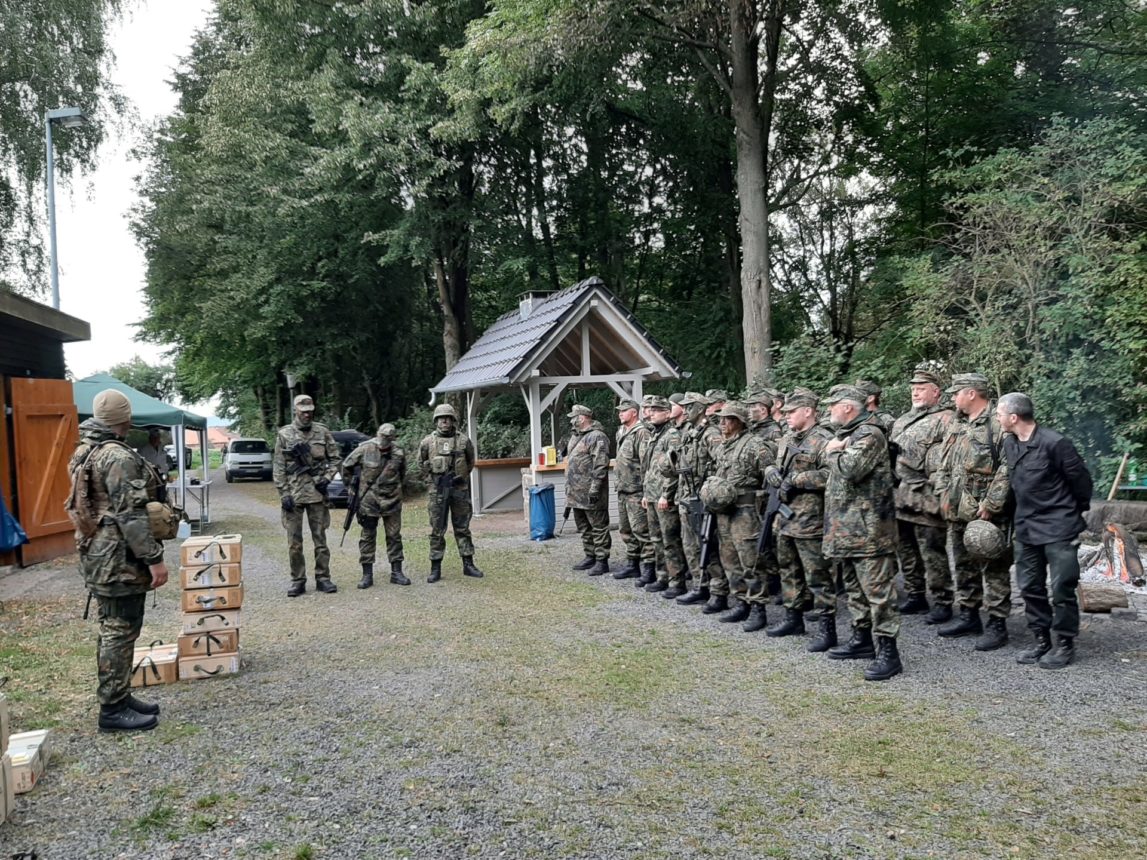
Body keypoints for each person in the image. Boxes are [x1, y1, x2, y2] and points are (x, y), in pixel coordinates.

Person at [68, 389, 170, 732]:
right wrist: (154, 559)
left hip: (98, 552)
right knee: (120, 629)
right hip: (117, 557)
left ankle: (120, 695)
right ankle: (112, 709)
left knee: (116, 625)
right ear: (125, 418)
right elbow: (131, 514)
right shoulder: (116, 456)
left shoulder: (85, 450)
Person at [997, 392, 1093, 668]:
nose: (998, 418)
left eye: (1000, 414)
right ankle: (1041, 640)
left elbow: (1081, 482)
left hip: (1058, 526)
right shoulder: (1010, 443)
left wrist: (1071, 512)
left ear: (1013, 417)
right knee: (1029, 586)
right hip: (1026, 526)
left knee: (1062, 587)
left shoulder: (1055, 443)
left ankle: (1064, 643)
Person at [821, 385, 902, 681]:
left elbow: (851, 468)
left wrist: (831, 452)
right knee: (854, 589)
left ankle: (889, 652)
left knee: (878, 593)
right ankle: (862, 639)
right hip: (846, 529)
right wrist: (835, 448)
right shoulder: (848, 434)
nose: (828, 411)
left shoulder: (870, 434)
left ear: (848, 407)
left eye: (833, 406)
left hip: (870, 531)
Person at [933, 373, 1012, 651]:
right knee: (963, 563)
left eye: (957, 392)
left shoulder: (998, 423)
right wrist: (941, 493)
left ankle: (997, 623)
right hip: (956, 508)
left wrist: (992, 504)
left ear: (971, 393)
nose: (952, 398)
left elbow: (1008, 467)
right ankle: (968, 614)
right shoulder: (957, 423)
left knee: (994, 566)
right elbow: (943, 463)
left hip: (986, 512)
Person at [762, 389, 835, 645]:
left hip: (810, 520)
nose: (786, 416)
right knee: (788, 570)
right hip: (785, 520)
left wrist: (798, 479)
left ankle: (827, 628)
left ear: (808, 411)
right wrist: (770, 470)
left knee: (817, 576)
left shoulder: (824, 440)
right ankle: (793, 618)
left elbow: (831, 475)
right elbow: (773, 463)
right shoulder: (787, 438)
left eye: (791, 412)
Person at [889, 362, 955, 621]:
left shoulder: (946, 419)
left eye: (922, 388)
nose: (915, 393)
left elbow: (947, 458)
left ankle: (942, 600)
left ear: (936, 392)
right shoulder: (902, 420)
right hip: (901, 494)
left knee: (932, 551)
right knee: (905, 547)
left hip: (928, 495)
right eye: (913, 388)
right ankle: (916, 593)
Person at [707, 402, 768, 624]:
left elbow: (769, 477)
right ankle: (741, 601)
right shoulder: (723, 445)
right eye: (721, 419)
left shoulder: (755, 445)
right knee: (729, 557)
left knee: (750, 560)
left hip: (746, 511)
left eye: (728, 418)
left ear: (740, 421)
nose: (722, 423)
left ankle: (758, 607)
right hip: (725, 510)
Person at [274, 394, 341, 596]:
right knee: (294, 543)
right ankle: (298, 580)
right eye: (303, 411)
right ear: (296, 410)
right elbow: (278, 466)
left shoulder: (322, 432)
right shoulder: (284, 434)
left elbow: (336, 458)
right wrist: (283, 493)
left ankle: (323, 578)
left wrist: (327, 478)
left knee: (320, 540)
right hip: (294, 495)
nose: (307, 414)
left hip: (317, 495)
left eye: (310, 411)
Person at [419, 403, 484, 582]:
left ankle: (468, 564)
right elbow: (420, 464)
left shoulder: (463, 440)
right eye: (441, 418)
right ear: (436, 421)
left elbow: (471, 461)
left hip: (459, 491)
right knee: (437, 530)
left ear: (453, 420)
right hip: (437, 491)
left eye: (448, 418)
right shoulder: (427, 442)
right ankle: (435, 567)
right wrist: (432, 482)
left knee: (462, 528)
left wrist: (460, 478)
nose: (445, 421)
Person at [341, 423, 411, 589]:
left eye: (388, 438)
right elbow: (346, 466)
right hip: (369, 501)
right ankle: (367, 574)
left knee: (394, 536)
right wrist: (351, 486)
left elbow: (403, 473)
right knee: (367, 536)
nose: (384, 440)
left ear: (392, 438)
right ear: (378, 434)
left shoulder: (398, 453)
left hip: (392, 500)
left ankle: (396, 572)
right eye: (382, 436)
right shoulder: (365, 449)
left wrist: (396, 489)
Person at [675, 392, 722, 606]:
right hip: (687, 497)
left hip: (703, 498)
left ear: (701, 408)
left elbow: (722, 464)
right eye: (683, 407)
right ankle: (699, 585)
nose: (684, 410)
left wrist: (710, 491)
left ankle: (718, 590)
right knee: (690, 545)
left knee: (707, 545)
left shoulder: (711, 434)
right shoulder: (690, 432)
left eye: (689, 406)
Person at [641, 396, 688, 598]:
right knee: (656, 539)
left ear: (667, 413)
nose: (651, 413)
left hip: (663, 496)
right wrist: (646, 493)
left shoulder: (672, 435)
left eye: (656, 410)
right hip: (652, 494)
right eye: (650, 410)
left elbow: (674, 469)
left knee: (670, 540)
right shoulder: (655, 434)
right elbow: (650, 468)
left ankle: (677, 581)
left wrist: (665, 494)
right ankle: (662, 577)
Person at [565, 404, 612, 575]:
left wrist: (595, 489)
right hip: (576, 492)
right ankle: (590, 555)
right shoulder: (575, 436)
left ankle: (602, 560)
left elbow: (600, 464)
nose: (571, 421)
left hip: (591, 492)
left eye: (574, 417)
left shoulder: (597, 437)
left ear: (582, 418)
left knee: (598, 527)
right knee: (584, 527)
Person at [613, 399, 652, 581]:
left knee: (641, 530)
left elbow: (646, 463)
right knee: (626, 530)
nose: (620, 413)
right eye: (619, 411)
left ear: (634, 412)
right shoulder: (621, 432)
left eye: (624, 411)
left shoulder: (641, 432)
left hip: (636, 489)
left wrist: (646, 491)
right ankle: (632, 564)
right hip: (623, 488)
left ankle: (650, 568)